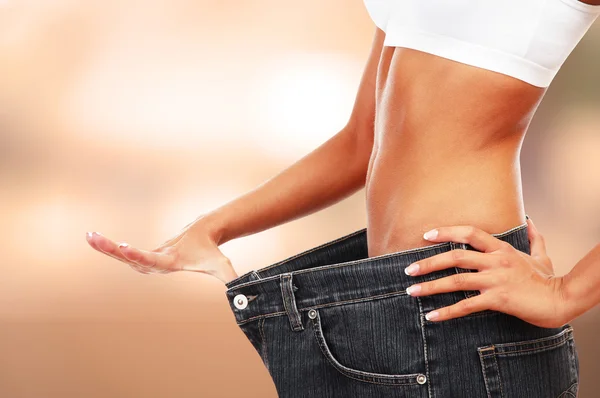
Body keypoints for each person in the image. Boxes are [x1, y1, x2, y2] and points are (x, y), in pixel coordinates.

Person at [86, 0, 600, 396]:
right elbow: (362, 141)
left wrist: (564, 294)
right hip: (380, 308)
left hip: (469, 315)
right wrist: (213, 227)